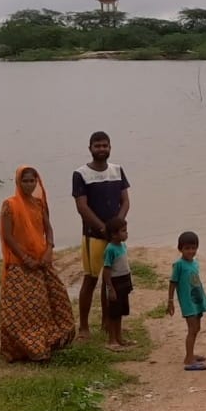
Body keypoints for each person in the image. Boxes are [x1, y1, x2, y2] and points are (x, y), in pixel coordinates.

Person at [0, 166, 75, 362]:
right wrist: (25, 258)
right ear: (18, 182)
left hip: (41, 262)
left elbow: (48, 228)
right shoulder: (10, 205)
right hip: (19, 264)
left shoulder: (39, 204)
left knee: (54, 302)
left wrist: (49, 249)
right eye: (25, 181)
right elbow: (7, 236)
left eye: (32, 181)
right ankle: (27, 348)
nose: (29, 185)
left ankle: (49, 340)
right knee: (19, 310)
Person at [72, 131, 130, 340]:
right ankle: (84, 327)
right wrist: (103, 229)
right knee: (91, 279)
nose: (101, 149)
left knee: (112, 280)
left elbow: (125, 201)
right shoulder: (81, 174)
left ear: (110, 147)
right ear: (90, 148)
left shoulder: (117, 170)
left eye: (105, 145)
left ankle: (108, 322)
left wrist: (117, 227)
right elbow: (82, 207)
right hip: (93, 236)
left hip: (114, 238)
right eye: (97, 146)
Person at [167, 231, 206, 371]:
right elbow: (173, 282)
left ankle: (191, 354)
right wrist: (170, 300)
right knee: (192, 329)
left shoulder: (195, 263)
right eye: (187, 248)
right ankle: (188, 359)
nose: (191, 251)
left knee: (197, 328)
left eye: (193, 248)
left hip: (197, 300)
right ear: (180, 249)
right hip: (188, 303)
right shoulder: (178, 265)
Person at [101, 218, 135, 351]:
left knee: (120, 311)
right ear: (114, 234)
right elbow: (107, 270)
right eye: (123, 231)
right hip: (115, 283)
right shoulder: (110, 249)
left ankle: (119, 337)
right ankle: (111, 339)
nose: (126, 234)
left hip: (124, 281)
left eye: (126, 230)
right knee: (113, 313)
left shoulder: (122, 246)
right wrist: (110, 288)